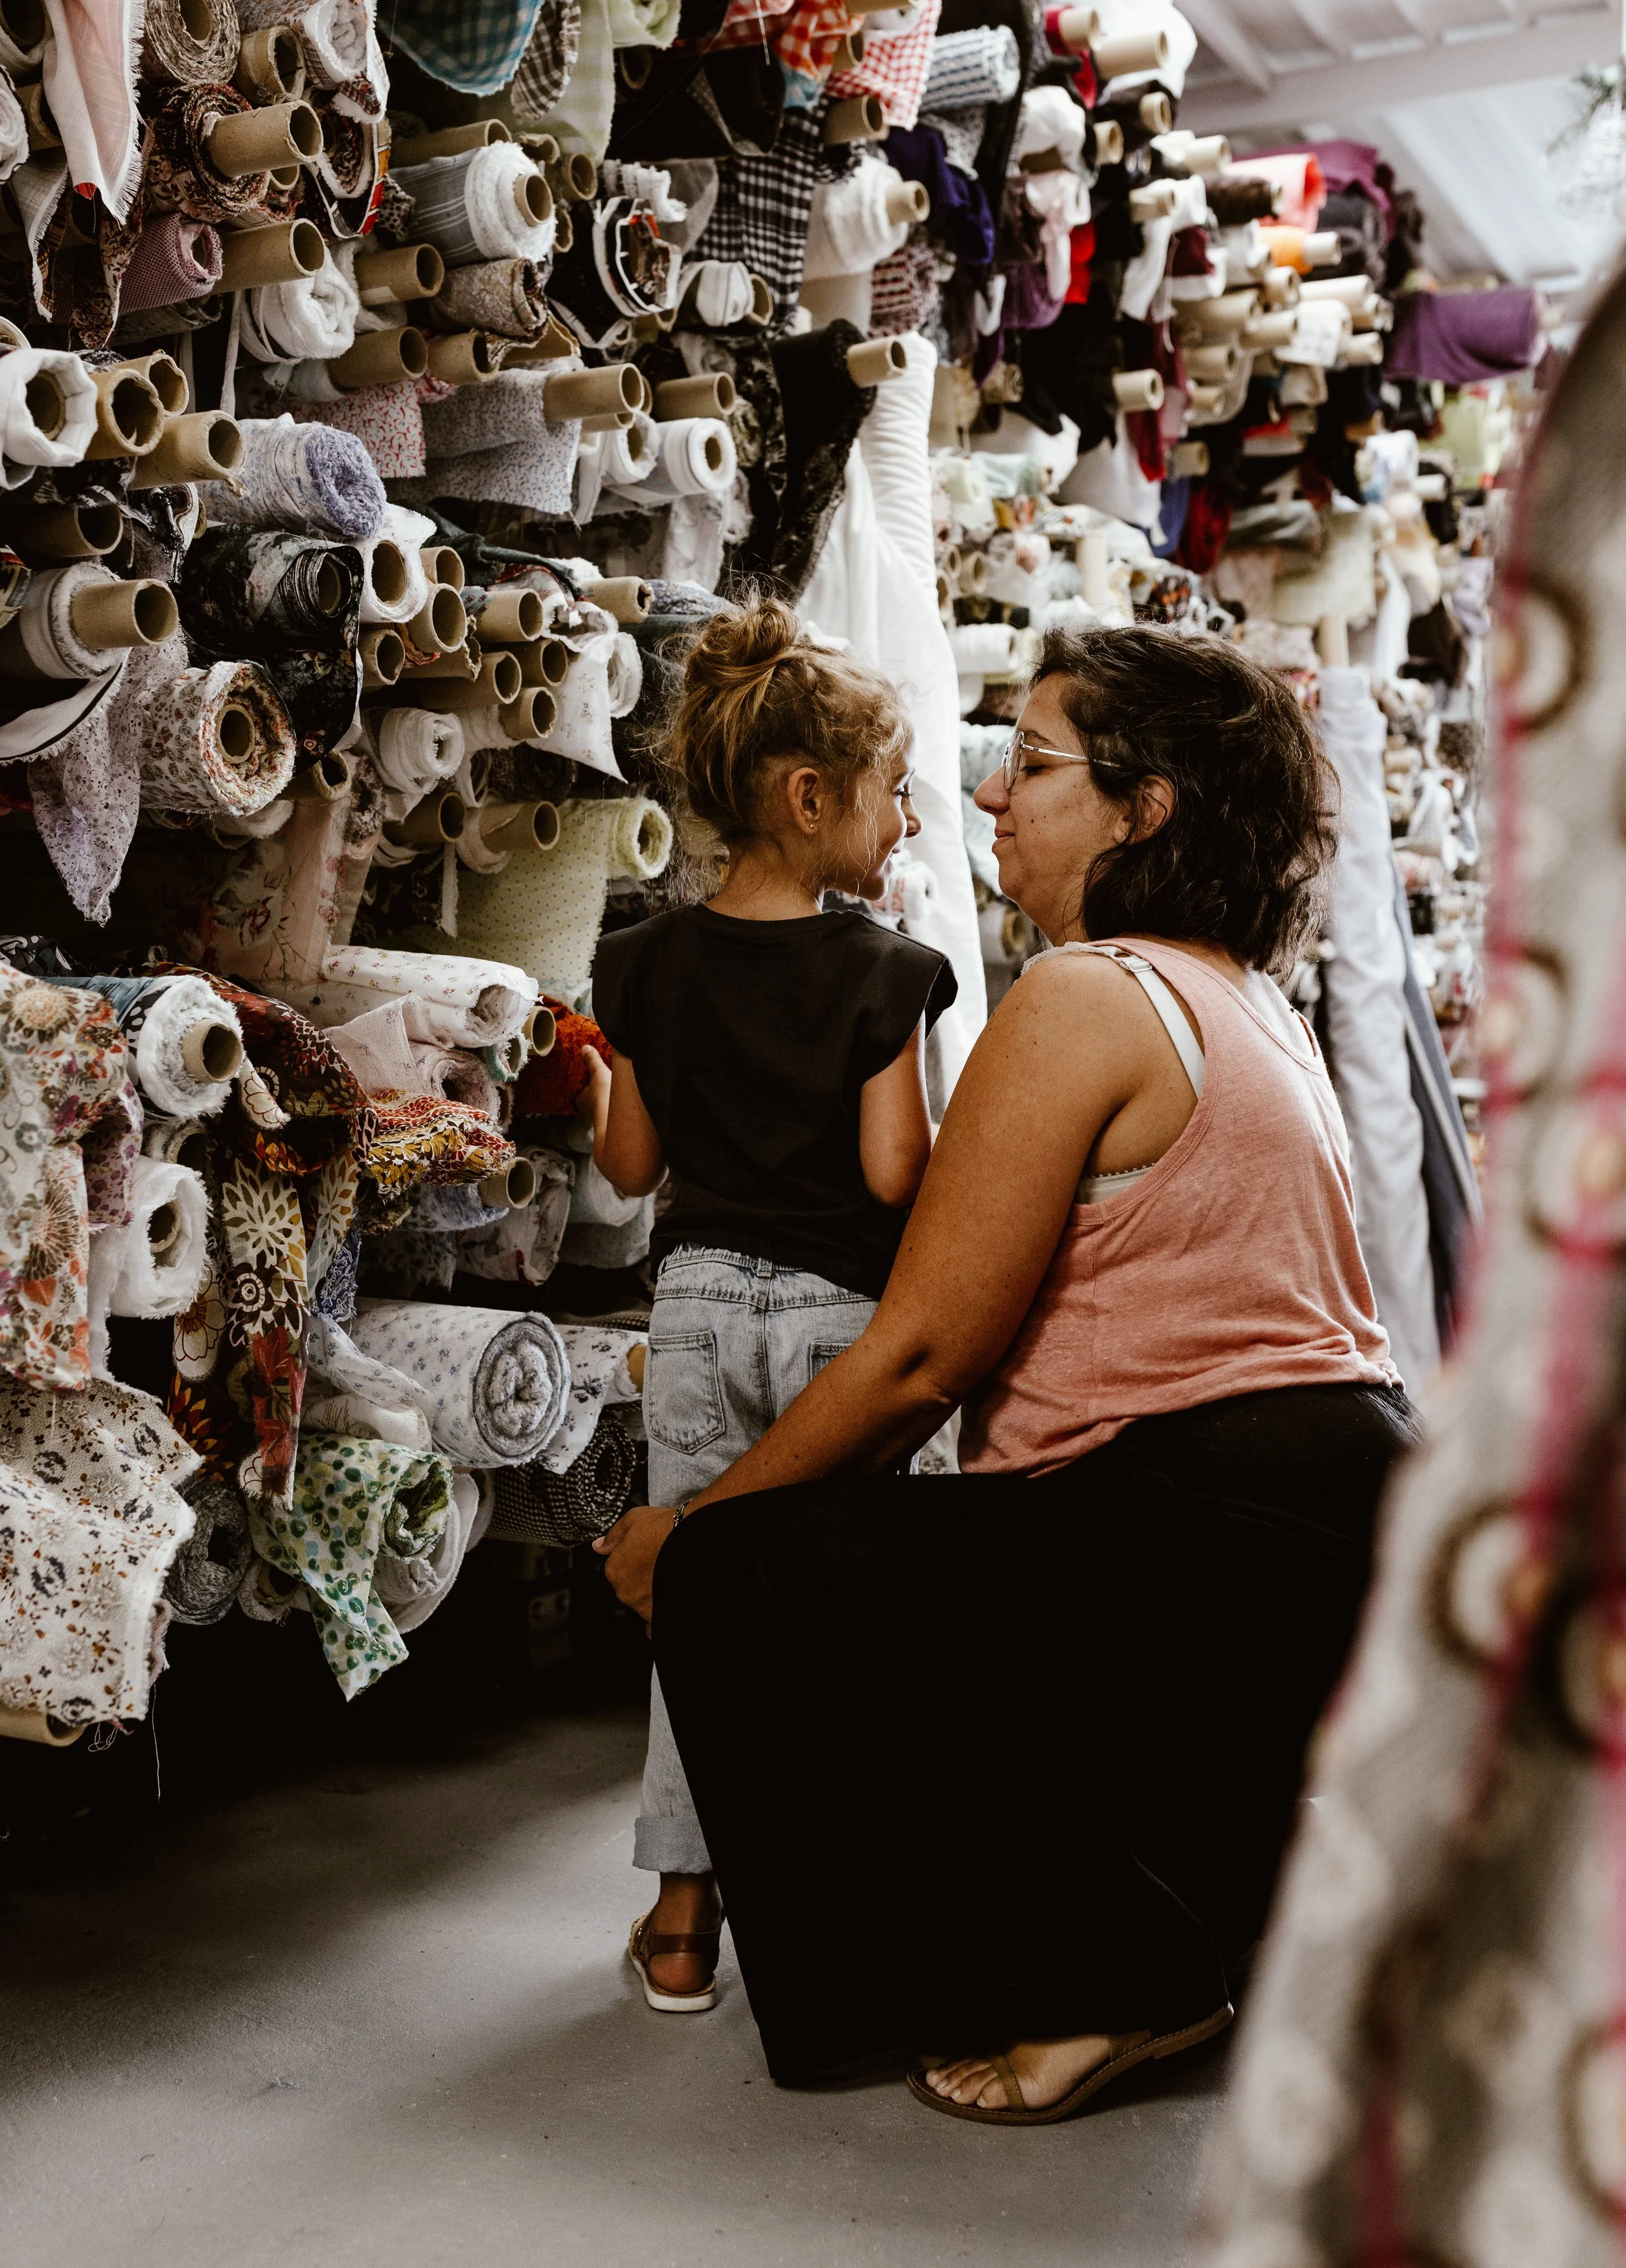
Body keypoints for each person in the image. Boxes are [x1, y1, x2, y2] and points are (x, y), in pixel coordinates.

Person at [597, 626, 1417, 2121]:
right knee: (928, 1545)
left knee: (737, 1576)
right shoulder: (1239, 996)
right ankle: (1199, 1923)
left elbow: (921, 1356)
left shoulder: (1085, 993)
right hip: (1328, 1529)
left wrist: (693, 1531)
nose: (987, 796)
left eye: (1030, 766)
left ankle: (1101, 1972)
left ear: (1141, 809)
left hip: (1214, 1520)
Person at [580, 595, 957, 2014]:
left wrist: (609, 1071)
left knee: (699, 1606)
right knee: (851, 1607)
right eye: (892, 792)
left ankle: (684, 1922)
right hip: (836, 1327)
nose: (905, 822)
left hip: (687, 1316)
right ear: (809, 797)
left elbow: (629, 1172)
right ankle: (856, 1906)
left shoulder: (638, 963)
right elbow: (894, 1173)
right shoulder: (886, 973)